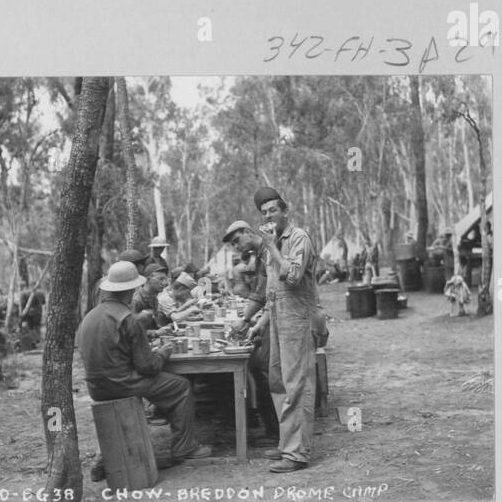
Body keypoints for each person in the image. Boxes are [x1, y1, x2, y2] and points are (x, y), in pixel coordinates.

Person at [76, 260, 210, 474]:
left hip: (96, 387)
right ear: (130, 290)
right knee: (181, 387)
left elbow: (109, 347)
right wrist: (163, 353)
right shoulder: (128, 318)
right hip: (122, 383)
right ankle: (184, 447)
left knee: (164, 385)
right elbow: (148, 367)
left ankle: (105, 460)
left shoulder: (90, 317)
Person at [252, 187, 321, 472]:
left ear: (285, 212)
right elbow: (272, 290)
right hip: (278, 317)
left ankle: (297, 454)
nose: (269, 216)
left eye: (273, 211)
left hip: (297, 317)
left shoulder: (297, 238)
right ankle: (287, 444)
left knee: (297, 384)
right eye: (264, 212)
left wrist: (270, 246)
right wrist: (261, 322)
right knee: (278, 381)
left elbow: (292, 277)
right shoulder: (274, 242)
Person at [221, 220, 278, 441]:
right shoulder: (260, 254)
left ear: (247, 232)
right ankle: (273, 429)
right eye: (234, 246)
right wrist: (254, 324)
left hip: (285, 321)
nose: (238, 248)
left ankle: (277, 433)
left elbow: (263, 295)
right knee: (259, 370)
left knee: (266, 374)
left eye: (238, 241)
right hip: (270, 318)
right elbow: (263, 297)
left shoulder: (268, 252)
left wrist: (246, 320)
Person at [132, 262, 171, 328]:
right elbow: (131, 330)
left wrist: (164, 328)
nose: (165, 283)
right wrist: (156, 333)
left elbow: (153, 325)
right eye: (160, 279)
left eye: (165, 279)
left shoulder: (154, 298)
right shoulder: (137, 300)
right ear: (148, 279)